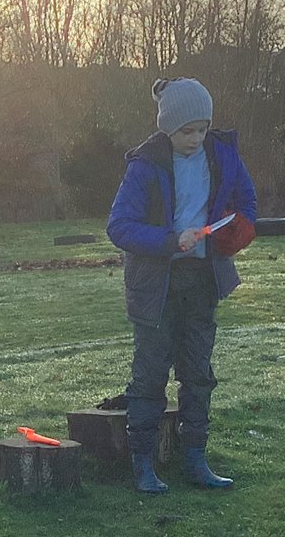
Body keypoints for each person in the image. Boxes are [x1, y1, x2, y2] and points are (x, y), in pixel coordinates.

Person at [106, 77, 257, 494]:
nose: (195, 139)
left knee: (198, 374)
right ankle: (143, 465)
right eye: (185, 131)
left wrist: (238, 232)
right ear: (167, 128)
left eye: (202, 129)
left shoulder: (223, 156)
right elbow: (118, 227)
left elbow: (247, 203)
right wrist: (170, 242)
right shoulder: (144, 165)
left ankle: (196, 459)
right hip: (155, 285)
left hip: (202, 282)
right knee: (150, 375)